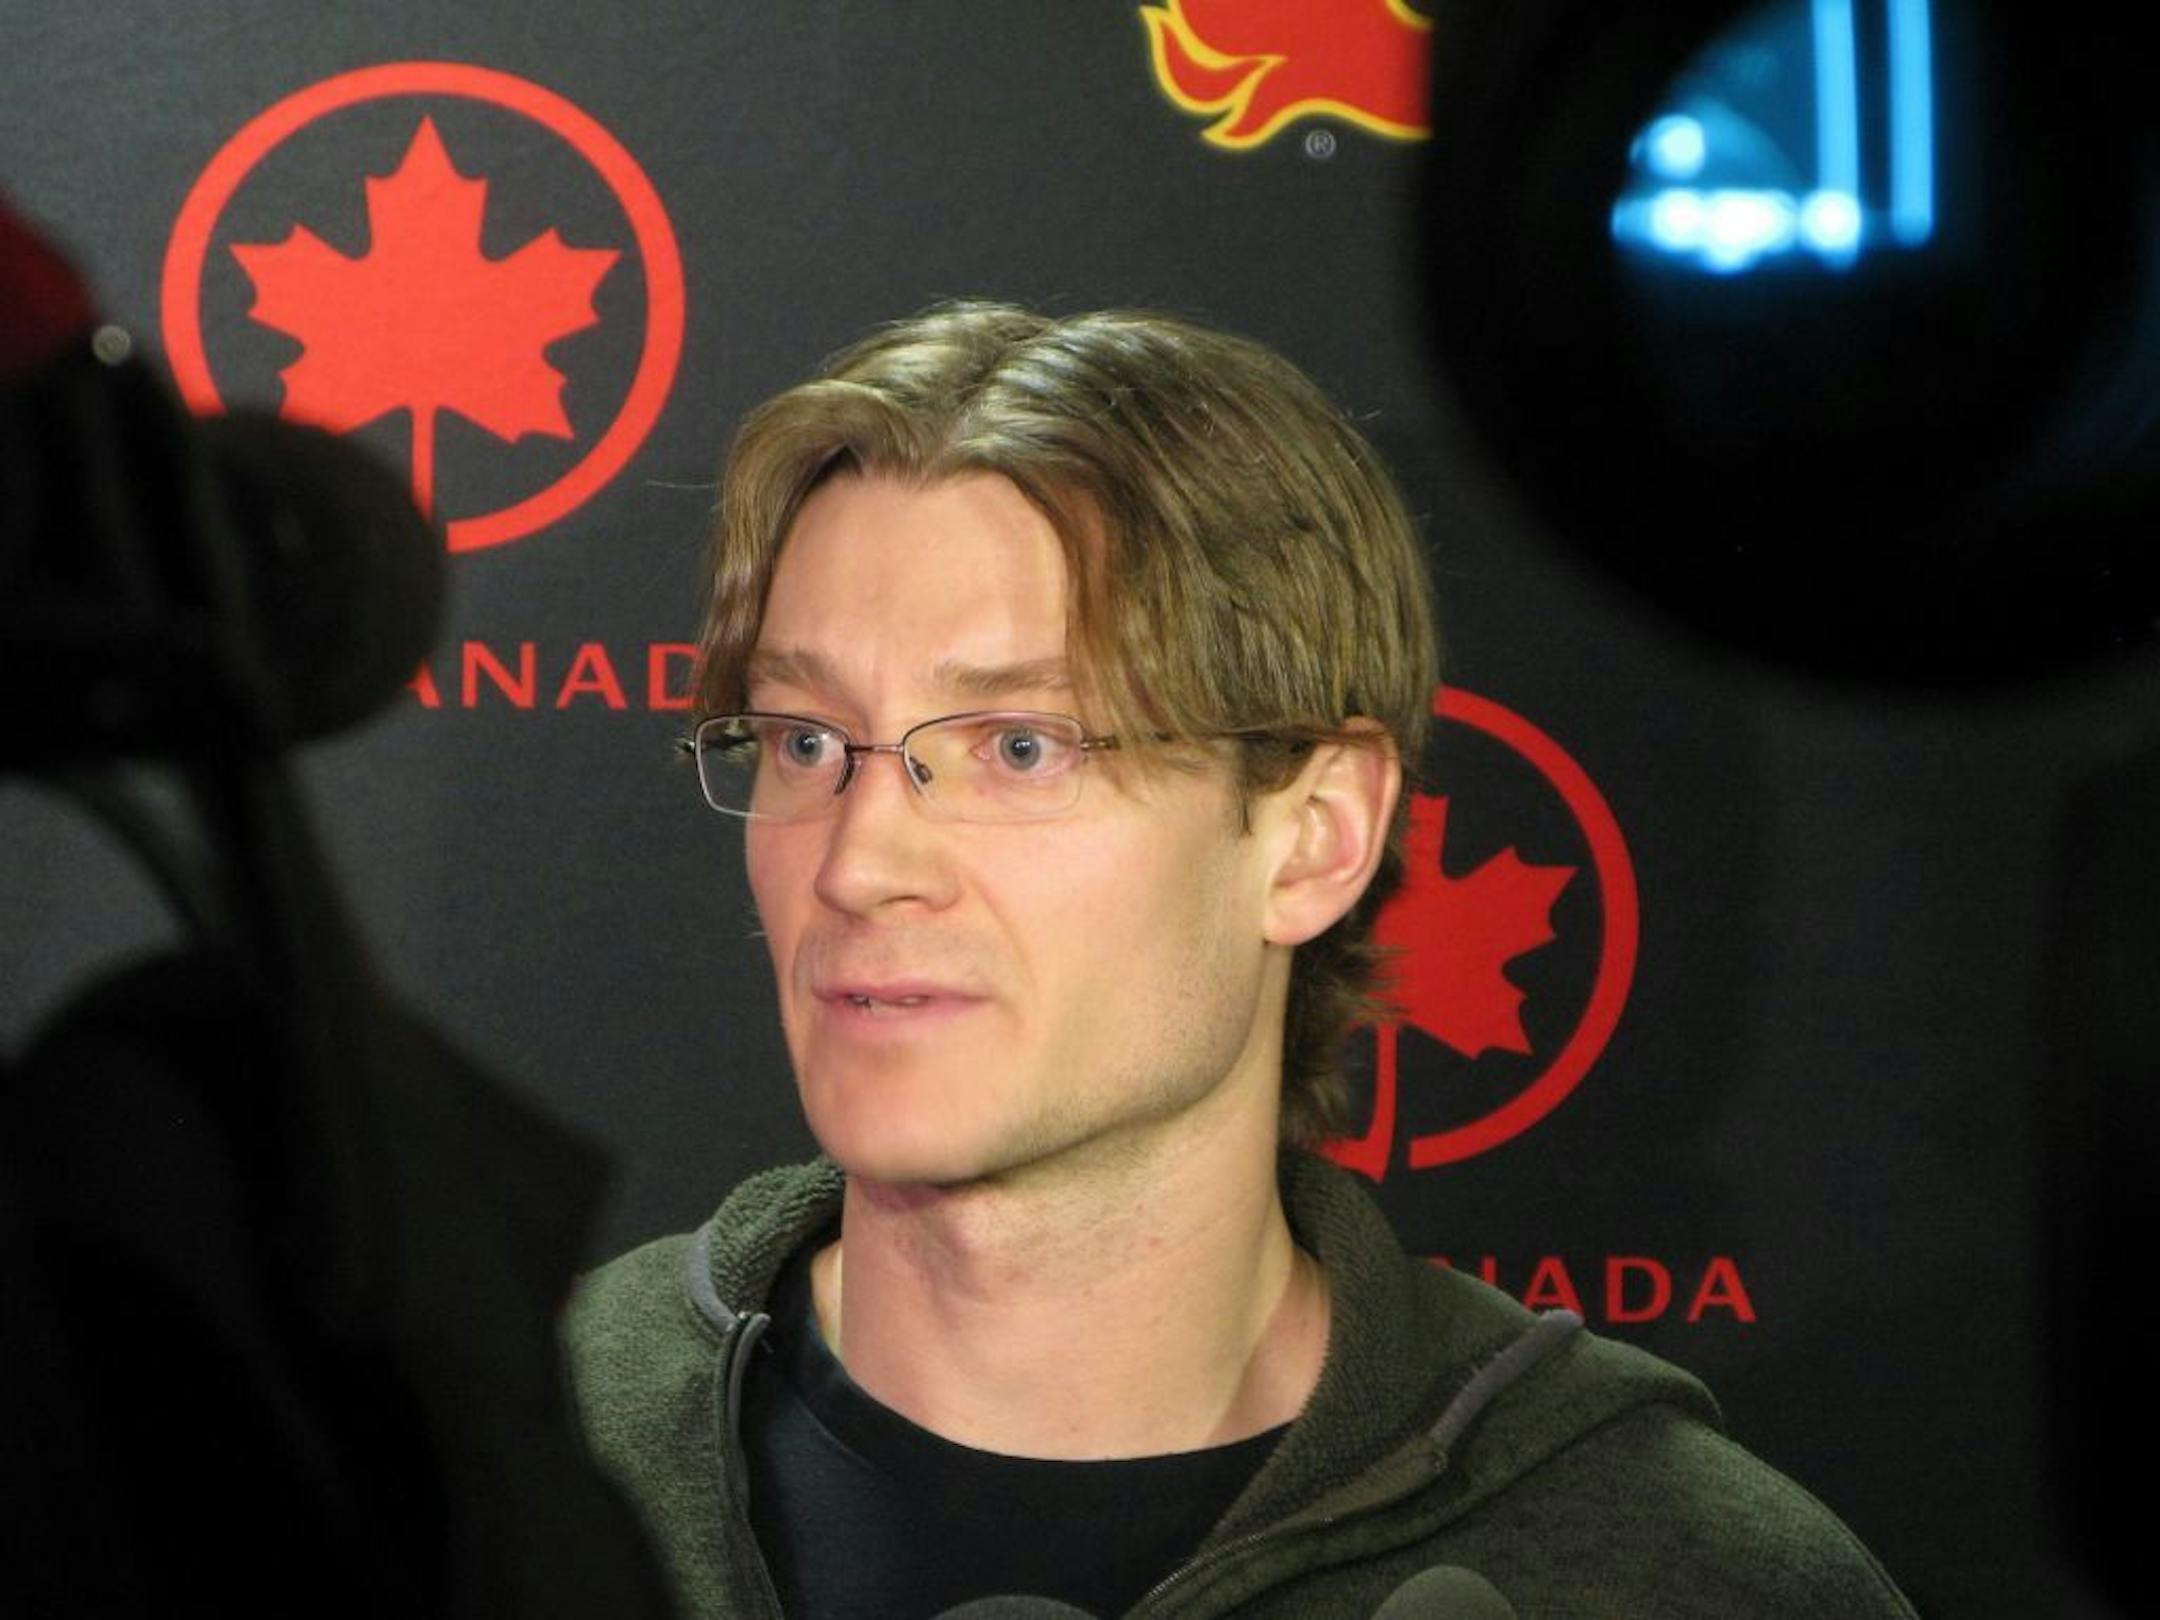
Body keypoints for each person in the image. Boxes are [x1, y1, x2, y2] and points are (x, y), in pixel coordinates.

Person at [564, 302, 1916, 1620]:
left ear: (1316, 838)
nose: (857, 863)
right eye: (805, 741)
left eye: (1020, 749)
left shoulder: (1671, 1571)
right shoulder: (483, 1461)